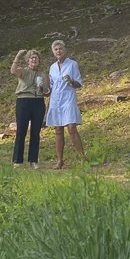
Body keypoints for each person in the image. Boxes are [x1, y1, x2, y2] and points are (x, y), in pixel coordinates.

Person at [44, 39, 84, 167]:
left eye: (60, 49)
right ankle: (60, 160)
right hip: (56, 100)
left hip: (68, 98)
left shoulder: (72, 64)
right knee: (58, 130)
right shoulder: (52, 67)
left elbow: (79, 84)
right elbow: (51, 86)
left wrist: (71, 81)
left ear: (65, 50)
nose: (58, 51)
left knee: (71, 127)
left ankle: (82, 158)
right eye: (56, 49)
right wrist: (44, 89)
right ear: (53, 52)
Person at [9, 48, 47, 167]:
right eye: (32, 58)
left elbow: (47, 92)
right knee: (21, 130)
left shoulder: (43, 74)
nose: (34, 60)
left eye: (36, 58)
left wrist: (43, 88)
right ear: (28, 61)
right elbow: (13, 71)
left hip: (38, 101)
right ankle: (18, 160)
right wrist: (18, 56)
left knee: (35, 132)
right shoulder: (23, 71)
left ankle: (33, 160)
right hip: (24, 101)